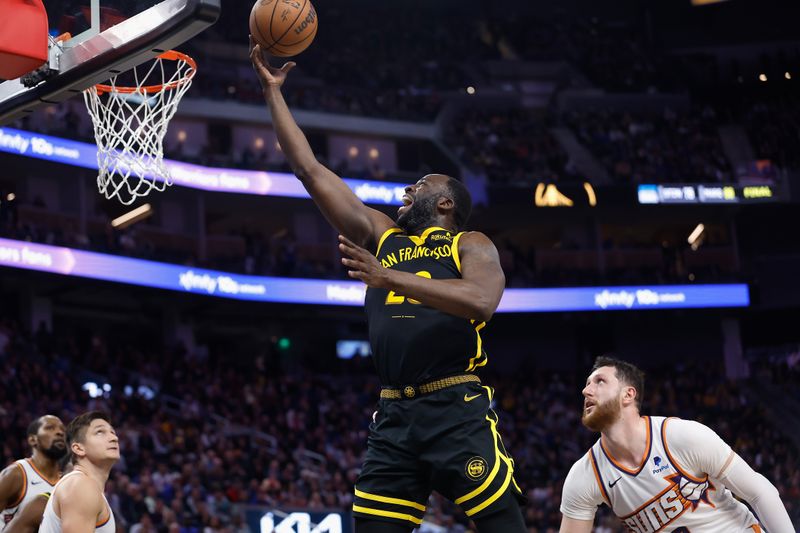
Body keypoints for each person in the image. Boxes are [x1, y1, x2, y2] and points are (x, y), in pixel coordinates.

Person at [250, 40, 526, 533]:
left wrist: (387, 277)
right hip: (395, 412)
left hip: (454, 406)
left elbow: (482, 302)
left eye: (420, 185)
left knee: (503, 526)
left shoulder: (469, 243)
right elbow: (309, 170)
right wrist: (273, 93)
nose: (407, 189)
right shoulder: (382, 234)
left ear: (446, 203)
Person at [559, 356, 794, 533]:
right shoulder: (585, 475)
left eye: (599, 381)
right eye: (587, 384)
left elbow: (760, 493)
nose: (586, 390)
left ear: (628, 395)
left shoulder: (681, 436)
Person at [38, 412, 119, 533]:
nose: (114, 438)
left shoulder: (84, 485)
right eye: (100, 432)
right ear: (79, 448)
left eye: (113, 432)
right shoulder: (80, 485)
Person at [0, 415, 66, 531]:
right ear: (32, 440)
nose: (60, 432)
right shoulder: (17, 474)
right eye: (50, 428)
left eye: (62, 429)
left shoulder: (66, 482)